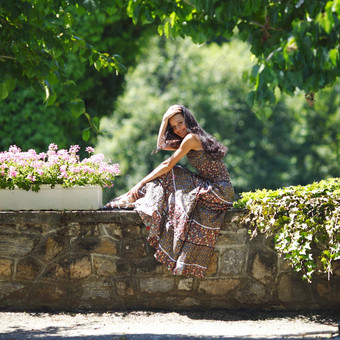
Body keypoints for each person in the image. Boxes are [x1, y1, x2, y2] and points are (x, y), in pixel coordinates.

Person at [101, 105, 234, 278]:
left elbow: (167, 164)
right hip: (218, 189)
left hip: (218, 190)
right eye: (174, 126)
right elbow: (161, 144)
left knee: (172, 171)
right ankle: (133, 198)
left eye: (180, 123)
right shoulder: (188, 138)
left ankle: (133, 197)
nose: (178, 129)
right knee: (172, 176)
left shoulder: (191, 139)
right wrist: (164, 120)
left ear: (188, 119)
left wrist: (139, 183)